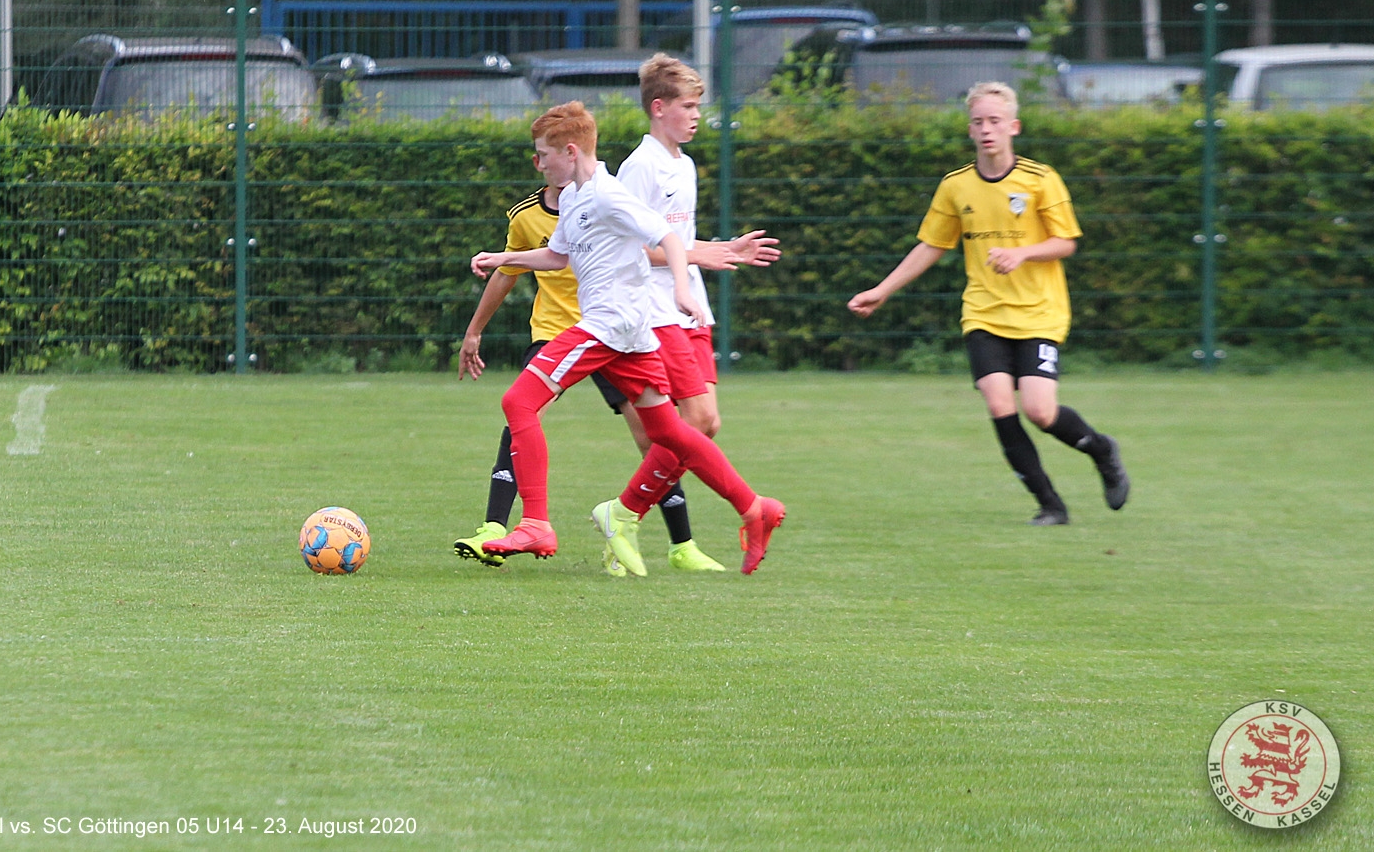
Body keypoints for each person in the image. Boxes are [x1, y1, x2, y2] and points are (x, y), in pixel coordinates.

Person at [471, 101, 785, 575]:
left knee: (518, 402)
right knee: (668, 432)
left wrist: (682, 289)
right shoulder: (574, 197)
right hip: (630, 335)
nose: (539, 164)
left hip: (609, 325)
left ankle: (535, 523)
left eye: (544, 155)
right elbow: (557, 257)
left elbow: (668, 238)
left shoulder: (607, 194)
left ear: (570, 151)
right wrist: (502, 258)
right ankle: (754, 507)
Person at [847, 81, 1128, 526]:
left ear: (1013, 126)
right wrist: (883, 290)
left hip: (1039, 312)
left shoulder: (1040, 179)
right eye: (978, 122)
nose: (986, 129)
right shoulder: (956, 185)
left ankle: (1101, 449)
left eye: (995, 121)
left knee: (1040, 411)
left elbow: (1066, 242)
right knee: (1000, 405)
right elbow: (932, 245)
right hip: (983, 312)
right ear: (970, 130)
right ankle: (1050, 505)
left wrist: (1022, 253)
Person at [453, 146, 726, 573]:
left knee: (653, 438)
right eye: (541, 155)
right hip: (556, 332)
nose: (550, 163)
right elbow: (509, 273)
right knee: (522, 413)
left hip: (612, 334)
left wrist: (692, 260)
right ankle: (494, 527)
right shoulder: (526, 216)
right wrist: (474, 330)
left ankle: (677, 542)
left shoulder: (603, 196)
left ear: (573, 153)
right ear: (540, 163)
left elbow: (651, 241)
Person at [606, 53, 781, 573]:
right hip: (656, 309)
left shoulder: (684, 165)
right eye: (688, 106)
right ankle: (627, 516)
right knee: (692, 423)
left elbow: (678, 242)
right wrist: (700, 256)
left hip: (690, 307)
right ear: (659, 108)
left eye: (699, 106)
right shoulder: (640, 167)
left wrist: (723, 248)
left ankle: (623, 514)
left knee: (705, 425)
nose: (697, 115)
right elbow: (632, 249)